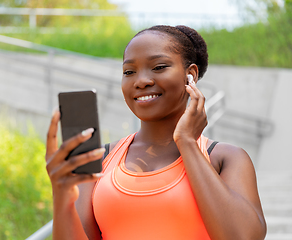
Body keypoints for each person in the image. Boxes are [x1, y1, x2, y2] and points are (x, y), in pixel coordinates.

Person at [45, 25, 267, 240]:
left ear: (190, 75)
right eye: (129, 71)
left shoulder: (224, 158)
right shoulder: (98, 159)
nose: (141, 81)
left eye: (159, 67)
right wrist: (62, 193)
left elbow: (243, 236)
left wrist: (187, 142)